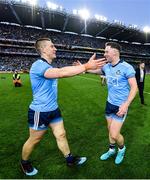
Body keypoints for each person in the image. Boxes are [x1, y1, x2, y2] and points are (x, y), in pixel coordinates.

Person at [20, 37, 107, 176]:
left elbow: (62, 71)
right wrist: (85, 66)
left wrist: (83, 67)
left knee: (61, 134)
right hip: (39, 112)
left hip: (53, 109)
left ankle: (70, 159)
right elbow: (60, 73)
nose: (55, 48)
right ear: (43, 49)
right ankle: (24, 162)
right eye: (52, 46)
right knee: (34, 139)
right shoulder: (38, 65)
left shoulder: (48, 66)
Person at [99, 42, 137, 165]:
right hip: (109, 104)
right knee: (110, 130)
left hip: (120, 107)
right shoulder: (107, 66)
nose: (104, 54)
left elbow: (134, 88)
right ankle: (111, 150)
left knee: (114, 134)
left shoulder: (127, 67)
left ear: (115, 52)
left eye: (106, 51)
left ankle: (121, 149)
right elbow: (97, 71)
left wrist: (126, 104)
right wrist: (84, 68)